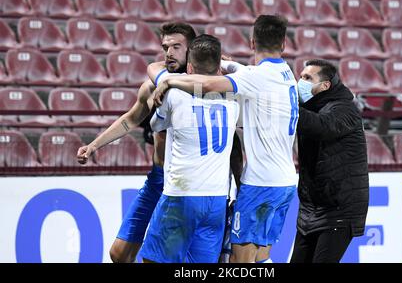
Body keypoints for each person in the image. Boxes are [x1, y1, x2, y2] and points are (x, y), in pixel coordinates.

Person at [152, 15, 299, 263]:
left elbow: (209, 85)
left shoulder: (254, 78)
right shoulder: (286, 73)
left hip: (260, 183)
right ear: (283, 44)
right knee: (261, 255)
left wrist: (170, 81)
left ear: (252, 43)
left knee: (239, 262)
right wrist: (223, 62)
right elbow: (240, 70)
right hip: (285, 182)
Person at [76, 22, 197, 263]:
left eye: (176, 46)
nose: (169, 53)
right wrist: (94, 146)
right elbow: (130, 120)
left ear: (191, 49)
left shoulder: (205, 87)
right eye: (165, 47)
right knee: (119, 254)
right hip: (157, 179)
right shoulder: (152, 86)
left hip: (187, 184)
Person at [140, 34, 240, 263]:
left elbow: (156, 125)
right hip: (216, 198)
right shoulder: (234, 99)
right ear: (218, 66)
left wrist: (168, 83)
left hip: (182, 195)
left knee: (154, 260)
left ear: (190, 66)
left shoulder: (175, 94)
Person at [290, 59, 369, 263]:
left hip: (338, 210)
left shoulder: (344, 109)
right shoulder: (309, 107)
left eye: (308, 78)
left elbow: (322, 126)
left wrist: (286, 104)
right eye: (301, 77)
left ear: (325, 85)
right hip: (310, 210)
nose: (301, 81)